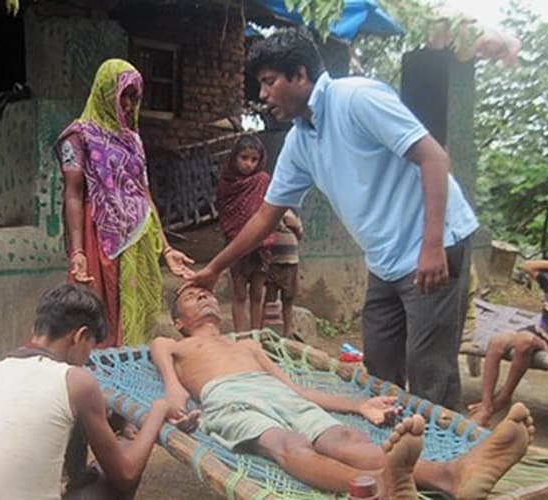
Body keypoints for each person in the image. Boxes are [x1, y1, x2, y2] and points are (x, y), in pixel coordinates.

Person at [184, 27, 479, 410]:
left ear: (301, 75)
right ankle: (395, 459)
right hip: (385, 262)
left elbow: (435, 158)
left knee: (429, 374)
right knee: (380, 370)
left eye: (270, 82)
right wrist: (214, 269)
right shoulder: (300, 141)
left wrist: (433, 243)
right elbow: (264, 218)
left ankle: (450, 466)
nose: (263, 95)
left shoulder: (356, 99)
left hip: (432, 245)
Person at [152, 285, 534, 498]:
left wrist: (359, 404)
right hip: (229, 398)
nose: (204, 296)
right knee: (289, 446)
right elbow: (172, 386)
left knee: (341, 436)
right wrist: (176, 406)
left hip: (273, 391)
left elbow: (295, 389)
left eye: (207, 292)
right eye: (192, 295)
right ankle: (382, 487)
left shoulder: (248, 345)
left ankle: (449, 474)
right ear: (178, 321)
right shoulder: (171, 344)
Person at [0, 283, 198, 500]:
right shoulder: (75, 380)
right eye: (91, 347)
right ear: (80, 336)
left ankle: (72, 482)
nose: (88, 358)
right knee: (125, 450)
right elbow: (125, 474)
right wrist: (158, 409)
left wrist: (116, 419)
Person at [57, 59, 193, 347]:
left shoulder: (133, 140)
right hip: (100, 235)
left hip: (138, 237)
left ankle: (127, 377)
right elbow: (73, 194)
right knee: (94, 312)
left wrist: (166, 248)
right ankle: (94, 385)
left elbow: (143, 194)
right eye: (124, 95)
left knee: (135, 313)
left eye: (135, 97)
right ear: (106, 91)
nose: (130, 104)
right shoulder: (77, 136)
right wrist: (77, 250)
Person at [468, 246, 548, 426]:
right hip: (536, 332)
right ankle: (486, 403)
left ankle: (505, 396)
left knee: (524, 341)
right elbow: (529, 266)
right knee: (497, 341)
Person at [215, 135, 272, 332]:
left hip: (261, 245)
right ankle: (240, 338)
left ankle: (256, 337)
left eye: (254, 160)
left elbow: (269, 210)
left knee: (257, 293)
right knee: (239, 293)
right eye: (244, 158)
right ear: (234, 158)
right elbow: (226, 212)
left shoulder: (262, 180)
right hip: (236, 245)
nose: (248, 164)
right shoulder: (227, 183)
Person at [264, 208, 303, 338]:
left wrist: (295, 226)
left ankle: (288, 333)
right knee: (270, 299)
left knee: (288, 298)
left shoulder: (293, 212)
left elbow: (299, 233)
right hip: (273, 261)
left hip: (290, 261)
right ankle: (267, 333)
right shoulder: (270, 209)